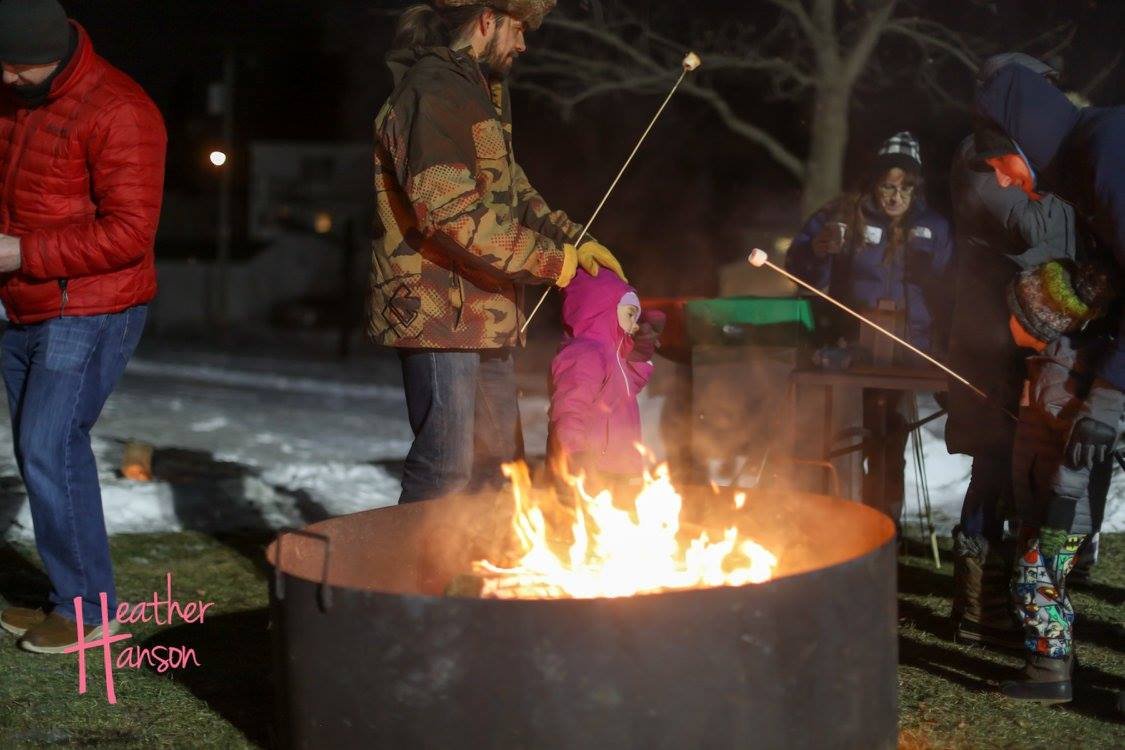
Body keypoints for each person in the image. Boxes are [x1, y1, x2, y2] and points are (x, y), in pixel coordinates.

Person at [369, 0, 627, 504]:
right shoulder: (435, 91)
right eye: (519, 28)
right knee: (446, 468)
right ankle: (414, 577)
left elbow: (513, 192)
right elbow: (449, 215)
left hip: (484, 310)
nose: (525, 43)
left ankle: (482, 577)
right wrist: (552, 262)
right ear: (487, 20)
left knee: (499, 471)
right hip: (439, 313)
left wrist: (577, 242)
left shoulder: (479, 91)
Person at [0, 0, 166, 653]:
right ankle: (64, 597)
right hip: (22, 301)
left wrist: (20, 252)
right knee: (39, 451)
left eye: (18, 66)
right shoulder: (16, 92)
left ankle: (88, 612)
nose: (8, 78)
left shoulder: (121, 111)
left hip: (92, 304)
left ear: (55, 51)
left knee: (49, 445)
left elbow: (130, 233)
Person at [976, 57, 1125, 702]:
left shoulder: (1107, 151)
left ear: (1024, 138)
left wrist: (1111, 394)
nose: (1004, 180)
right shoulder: (1088, 168)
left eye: (1001, 163)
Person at [945, 54, 1084, 649]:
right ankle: (979, 605)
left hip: (1018, 329)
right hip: (992, 335)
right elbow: (1049, 233)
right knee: (996, 461)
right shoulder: (984, 161)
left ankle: (1008, 599)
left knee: (1020, 465)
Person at [786, 132, 953, 528]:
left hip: (908, 352)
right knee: (836, 433)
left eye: (905, 188)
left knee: (887, 439)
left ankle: (881, 525)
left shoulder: (933, 227)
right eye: (887, 186)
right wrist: (818, 253)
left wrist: (935, 280)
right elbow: (799, 269)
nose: (895, 197)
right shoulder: (843, 216)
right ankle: (829, 521)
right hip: (849, 348)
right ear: (874, 183)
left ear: (918, 187)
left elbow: (955, 288)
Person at [548, 268, 654, 491]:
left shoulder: (613, 354)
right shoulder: (586, 354)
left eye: (636, 316)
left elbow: (626, 390)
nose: (634, 324)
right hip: (593, 469)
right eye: (629, 314)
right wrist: (576, 453)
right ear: (603, 310)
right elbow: (570, 408)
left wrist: (639, 356)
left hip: (620, 467)